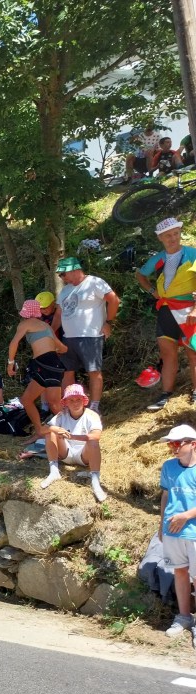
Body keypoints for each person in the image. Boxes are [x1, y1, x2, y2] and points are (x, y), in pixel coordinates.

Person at [137, 217, 196, 411]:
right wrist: (152, 291)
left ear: (180, 233)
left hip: (188, 308)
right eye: (168, 236)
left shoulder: (192, 254)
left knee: (193, 353)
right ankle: (165, 394)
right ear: (160, 238)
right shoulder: (159, 258)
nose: (173, 238)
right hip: (165, 309)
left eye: (175, 234)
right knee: (167, 352)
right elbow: (140, 274)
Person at [55, 256, 119, 414]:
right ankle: (69, 404)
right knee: (67, 371)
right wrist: (51, 335)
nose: (62, 278)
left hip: (91, 335)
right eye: (60, 275)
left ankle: (94, 406)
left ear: (75, 269)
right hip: (67, 337)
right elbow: (58, 315)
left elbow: (114, 300)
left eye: (64, 274)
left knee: (93, 370)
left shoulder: (94, 282)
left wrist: (108, 322)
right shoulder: (65, 290)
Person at [155, 424, 196, 641]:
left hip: (193, 531)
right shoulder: (168, 467)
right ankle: (183, 616)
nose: (173, 447)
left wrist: (186, 516)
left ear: (193, 444)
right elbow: (165, 496)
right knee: (180, 572)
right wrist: (162, 524)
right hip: (172, 531)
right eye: (171, 443)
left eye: (177, 443)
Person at [7, 298, 68, 438]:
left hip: (43, 363)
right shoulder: (46, 326)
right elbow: (62, 348)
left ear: (25, 313)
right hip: (55, 364)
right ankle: (64, 431)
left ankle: (48, 431)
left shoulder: (25, 324)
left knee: (32, 401)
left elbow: (13, 343)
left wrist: (11, 363)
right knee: (51, 403)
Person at [37, 384, 107, 502]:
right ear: (66, 402)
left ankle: (95, 480)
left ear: (84, 401)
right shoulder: (61, 415)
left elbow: (96, 435)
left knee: (93, 441)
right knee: (51, 432)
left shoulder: (91, 415)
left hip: (83, 455)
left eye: (78, 399)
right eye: (71, 400)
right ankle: (54, 471)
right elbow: (41, 430)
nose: (75, 403)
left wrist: (73, 436)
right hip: (66, 453)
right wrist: (55, 429)